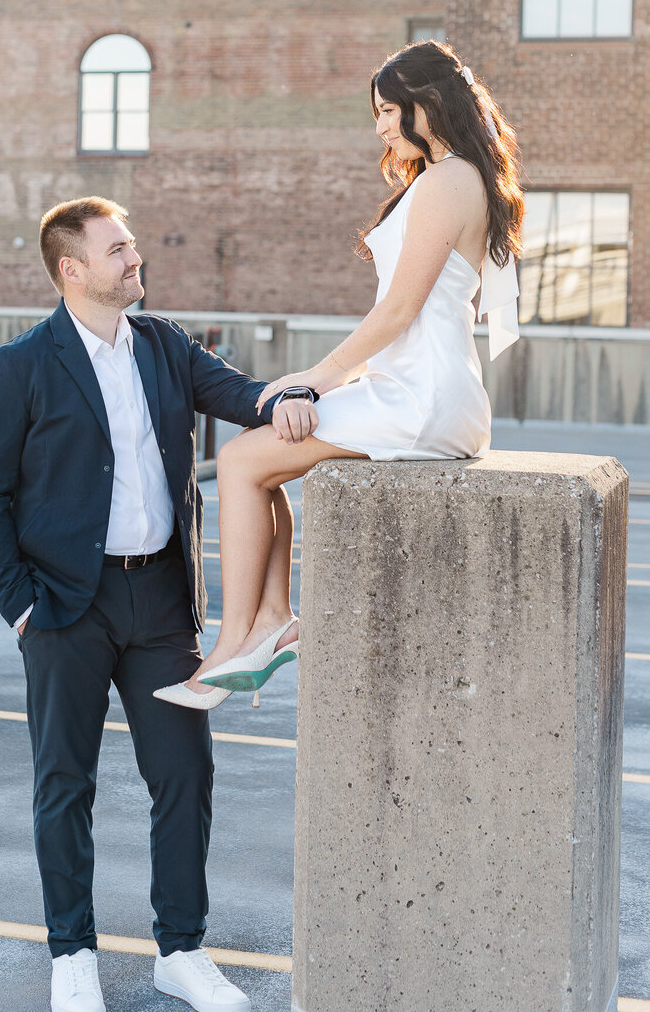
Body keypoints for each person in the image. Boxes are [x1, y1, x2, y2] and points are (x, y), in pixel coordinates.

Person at [0, 196, 318, 1012]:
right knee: (64, 783)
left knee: (185, 773)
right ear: (72, 270)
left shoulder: (164, 344)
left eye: (133, 246)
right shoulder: (24, 365)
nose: (135, 259)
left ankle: (181, 952)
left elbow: (237, 393)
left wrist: (286, 399)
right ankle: (72, 954)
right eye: (118, 250)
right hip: (63, 608)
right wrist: (20, 608)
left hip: (159, 600)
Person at [155, 40, 523, 708]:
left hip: (423, 395)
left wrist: (316, 379)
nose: (381, 128)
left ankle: (237, 641)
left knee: (240, 461)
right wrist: (337, 384)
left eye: (388, 111)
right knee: (263, 461)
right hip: (419, 387)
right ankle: (269, 622)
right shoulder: (451, 176)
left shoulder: (447, 180)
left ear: (427, 104)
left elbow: (401, 310)